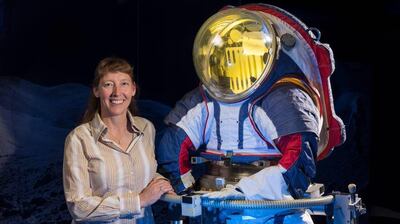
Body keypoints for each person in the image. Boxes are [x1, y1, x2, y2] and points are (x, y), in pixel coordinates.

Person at [157, 4, 345, 224]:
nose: (234, 59)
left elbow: (296, 160)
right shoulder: (204, 99)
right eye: (229, 51)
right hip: (213, 203)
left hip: (272, 206)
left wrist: (243, 191)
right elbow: (172, 144)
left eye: (243, 51)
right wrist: (186, 190)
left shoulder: (283, 97)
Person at [63, 57, 174, 224]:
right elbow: (79, 206)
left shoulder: (146, 129)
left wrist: (159, 182)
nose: (117, 92)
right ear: (96, 91)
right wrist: (139, 201)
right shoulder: (79, 138)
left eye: (124, 83)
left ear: (133, 89)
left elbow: (139, 171)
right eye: (108, 84)